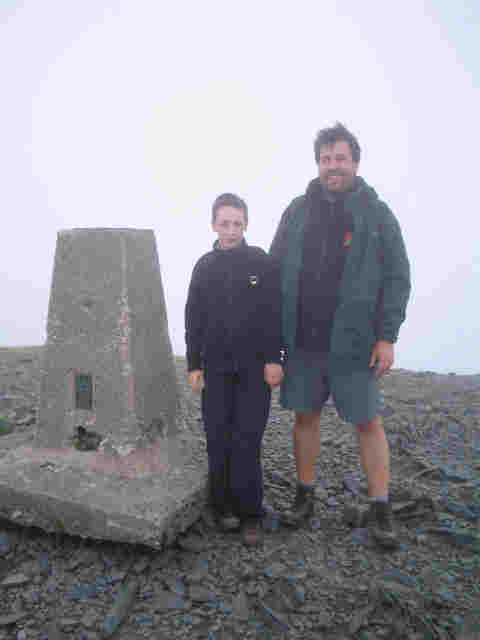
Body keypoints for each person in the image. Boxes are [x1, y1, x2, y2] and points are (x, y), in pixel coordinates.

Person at [269, 123, 411, 549]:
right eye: (327, 159)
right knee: (305, 417)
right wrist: (271, 341)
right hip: (305, 340)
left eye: (341, 158)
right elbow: (275, 271)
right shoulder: (296, 211)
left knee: (369, 422)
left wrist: (386, 337)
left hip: (355, 344)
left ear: (355, 162)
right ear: (318, 164)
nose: (334, 166)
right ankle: (305, 496)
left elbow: (398, 277)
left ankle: (381, 508)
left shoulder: (378, 214)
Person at [185, 192, 284, 546]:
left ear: (246, 225)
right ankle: (222, 506)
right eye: (224, 223)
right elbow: (193, 319)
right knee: (218, 438)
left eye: (237, 224)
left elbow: (274, 314)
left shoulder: (260, 262)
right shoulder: (204, 267)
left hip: (254, 371)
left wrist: (276, 359)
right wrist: (193, 365)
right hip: (215, 370)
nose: (230, 230)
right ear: (213, 225)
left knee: (247, 440)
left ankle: (250, 513)